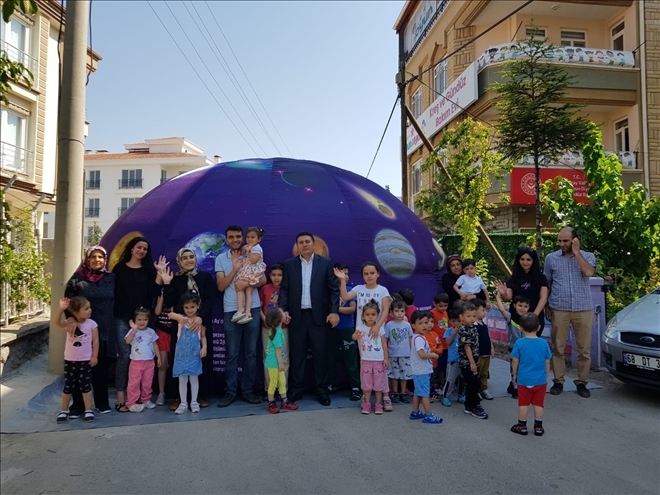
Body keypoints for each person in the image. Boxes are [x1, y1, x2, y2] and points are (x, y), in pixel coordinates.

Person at [279, 232, 340, 406]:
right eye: (301, 242)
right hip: (297, 317)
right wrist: (283, 309)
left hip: (319, 317)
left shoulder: (325, 263)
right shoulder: (289, 265)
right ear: (297, 245)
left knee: (321, 354)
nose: (304, 245)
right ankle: (296, 389)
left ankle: (322, 389)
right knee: (297, 355)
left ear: (313, 244)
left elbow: (333, 290)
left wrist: (334, 311)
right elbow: (284, 290)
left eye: (307, 242)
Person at [215, 226, 266, 407]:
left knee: (251, 353)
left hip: (252, 309)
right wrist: (235, 270)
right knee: (232, 354)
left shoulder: (251, 253)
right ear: (226, 240)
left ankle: (247, 391)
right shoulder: (221, 258)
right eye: (231, 237)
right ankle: (230, 392)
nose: (236, 239)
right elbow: (221, 286)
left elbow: (263, 280)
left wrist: (246, 282)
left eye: (238, 236)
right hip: (231, 310)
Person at [112, 236, 165, 412]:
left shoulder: (148, 270)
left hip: (143, 322)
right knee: (125, 355)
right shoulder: (119, 269)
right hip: (122, 318)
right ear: (131, 249)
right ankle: (121, 397)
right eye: (139, 247)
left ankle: (143, 398)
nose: (141, 251)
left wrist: (159, 273)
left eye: (145, 249)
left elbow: (153, 292)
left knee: (143, 358)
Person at [544, 227, 596, 398]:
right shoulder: (551, 258)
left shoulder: (587, 256)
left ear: (574, 240)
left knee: (584, 349)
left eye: (565, 241)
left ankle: (582, 383)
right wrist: (546, 305)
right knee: (558, 348)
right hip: (559, 308)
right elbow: (548, 284)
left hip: (583, 308)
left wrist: (577, 253)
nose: (561, 244)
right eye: (559, 240)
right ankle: (558, 381)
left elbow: (588, 272)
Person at [161, 248, 216, 409]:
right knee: (179, 360)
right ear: (179, 261)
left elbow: (209, 299)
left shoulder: (205, 277)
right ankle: (180, 398)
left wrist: (200, 317)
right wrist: (166, 283)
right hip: (180, 326)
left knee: (201, 358)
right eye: (184, 258)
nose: (188, 260)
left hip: (201, 324)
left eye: (191, 257)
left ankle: (199, 396)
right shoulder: (176, 279)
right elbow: (169, 301)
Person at [64, 246, 115, 416]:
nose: (97, 260)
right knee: (80, 370)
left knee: (101, 369)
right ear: (87, 259)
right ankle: (78, 406)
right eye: (93, 256)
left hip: (105, 329)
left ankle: (101, 403)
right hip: (82, 330)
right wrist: (71, 318)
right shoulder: (77, 279)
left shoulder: (111, 278)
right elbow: (68, 302)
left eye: (100, 256)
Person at [335, 262, 392, 411]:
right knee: (366, 365)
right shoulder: (359, 289)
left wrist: (378, 325)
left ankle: (385, 396)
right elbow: (345, 296)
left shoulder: (382, 290)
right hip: (362, 334)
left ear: (378, 274)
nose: (369, 276)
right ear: (362, 276)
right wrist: (342, 280)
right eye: (366, 274)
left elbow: (386, 309)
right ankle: (365, 398)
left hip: (378, 332)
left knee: (381, 365)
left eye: (372, 273)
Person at [53, 297, 99, 424]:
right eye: (86, 308)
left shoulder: (92, 324)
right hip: (70, 359)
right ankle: (64, 410)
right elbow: (56, 322)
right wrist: (61, 309)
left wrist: (94, 356)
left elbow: (95, 341)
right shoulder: (69, 322)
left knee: (85, 385)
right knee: (68, 386)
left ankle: (88, 409)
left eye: (89, 307)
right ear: (76, 312)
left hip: (85, 360)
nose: (90, 310)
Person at [510, 313, 552, 436]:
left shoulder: (519, 342)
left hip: (524, 379)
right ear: (539, 327)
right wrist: (546, 374)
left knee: (523, 403)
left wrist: (514, 374)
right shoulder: (543, 343)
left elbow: (515, 360)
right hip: (540, 380)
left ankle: (522, 426)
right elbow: (547, 360)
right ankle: (538, 427)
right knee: (538, 403)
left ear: (521, 328)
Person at [167, 291, 207, 414]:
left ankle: (194, 402)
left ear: (198, 306)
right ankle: (183, 403)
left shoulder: (200, 322)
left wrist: (204, 347)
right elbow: (170, 314)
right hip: (181, 356)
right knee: (182, 380)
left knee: (194, 379)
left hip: (194, 355)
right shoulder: (181, 319)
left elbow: (203, 336)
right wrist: (179, 317)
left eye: (192, 307)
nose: (189, 310)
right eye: (186, 307)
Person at [494, 247, 549, 337]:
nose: (525, 262)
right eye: (522, 259)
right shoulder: (514, 277)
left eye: (528, 260)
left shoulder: (541, 278)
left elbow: (543, 297)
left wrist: (533, 316)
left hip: (535, 317)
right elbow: (508, 298)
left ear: (533, 261)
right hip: (516, 319)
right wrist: (503, 293)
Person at [327, 263, 360, 401]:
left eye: (347, 274)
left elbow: (352, 309)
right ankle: (328, 385)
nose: (345, 277)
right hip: (331, 329)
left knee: (350, 359)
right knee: (329, 358)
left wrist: (334, 309)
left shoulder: (349, 290)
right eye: (342, 273)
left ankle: (355, 387)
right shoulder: (329, 290)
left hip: (347, 329)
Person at [120, 307, 161, 413]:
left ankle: (146, 399)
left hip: (149, 362)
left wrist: (159, 357)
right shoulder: (133, 331)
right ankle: (131, 403)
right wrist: (133, 330)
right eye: (139, 320)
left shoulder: (151, 332)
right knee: (134, 383)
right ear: (134, 321)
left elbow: (155, 345)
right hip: (136, 362)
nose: (142, 322)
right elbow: (128, 341)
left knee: (147, 382)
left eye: (145, 320)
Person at [352, 300, 389, 415]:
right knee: (366, 385)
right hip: (366, 361)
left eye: (373, 315)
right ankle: (367, 403)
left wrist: (386, 358)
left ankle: (378, 404)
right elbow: (353, 337)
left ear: (377, 315)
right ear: (363, 316)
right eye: (367, 315)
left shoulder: (380, 328)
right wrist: (355, 336)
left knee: (378, 385)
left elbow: (384, 344)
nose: (370, 317)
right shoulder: (360, 327)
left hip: (379, 361)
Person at [259, 262, 290, 397]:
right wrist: (265, 319)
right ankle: (269, 389)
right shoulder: (265, 289)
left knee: (284, 358)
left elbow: (290, 308)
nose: (276, 278)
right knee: (268, 358)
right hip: (267, 329)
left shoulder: (287, 289)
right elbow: (259, 307)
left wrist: (287, 316)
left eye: (280, 275)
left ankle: (283, 389)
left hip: (283, 329)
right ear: (269, 276)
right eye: (273, 275)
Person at [408, 310, 443, 424]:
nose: (425, 325)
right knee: (425, 394)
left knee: (418, 392)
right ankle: (429, 415)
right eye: (421, 323)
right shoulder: (419, 339)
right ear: (413, 325)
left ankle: (415, 411)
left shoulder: (417, 337)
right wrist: (432, 355)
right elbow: (422, 354)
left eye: (426, 322)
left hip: (418, 370)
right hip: (421, 371)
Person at [263, 308, 299, 414]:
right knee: (273, 382)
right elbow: (277, 349)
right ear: (279, 319)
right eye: (282, 313)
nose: (284, 313)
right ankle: (271, 402)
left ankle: (284, 401)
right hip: (274, 363)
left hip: (276, 362)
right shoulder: (277, 332)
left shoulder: (276, 330)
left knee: (282, 382)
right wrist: (281, 363)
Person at [495, 292, 531, 399]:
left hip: (526, 349)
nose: (522, 308)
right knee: (514, 368)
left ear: (529, 307)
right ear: (514, 305)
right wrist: (498, 297)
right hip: (514, 348)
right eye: (520, 305)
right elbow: (502, 310)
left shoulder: (529, 319)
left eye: (525, 306)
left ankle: (517, 385)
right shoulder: (511, 317)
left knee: (523, 367)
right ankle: (515, 387)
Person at [458, 302, 488, 419]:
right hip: (467, 363)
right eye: (468, 316)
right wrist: (471, 363)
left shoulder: (473, 328)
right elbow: (467, 347)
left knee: (472, 384)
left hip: (474, 362)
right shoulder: (464, 330)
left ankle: (469, 406)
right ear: (461, 317)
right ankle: (475, 406)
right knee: (474, 384)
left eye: (473, 316)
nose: (472, 319)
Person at [233, 227, 267, 324]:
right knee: (242, 290)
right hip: (247, 271)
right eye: (248, 237)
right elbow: (242, 252)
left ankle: (245, 312)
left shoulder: (257, 248)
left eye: (253, 237)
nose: (250, 239)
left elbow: (253, 260)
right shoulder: (248, 246)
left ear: (259, 239)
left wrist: (249, 251)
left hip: (252, 273)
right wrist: (244, 249)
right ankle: (243, 312)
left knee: (245, 291)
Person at [384, 299, 412, 404]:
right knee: (394, 374)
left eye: (402, 311)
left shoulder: (407, 325)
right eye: (397, 311)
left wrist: (412, 350)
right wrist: (385, 353)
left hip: (405, 353)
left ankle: (403, 392)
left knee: (404, 374)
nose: (399, 313)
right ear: (391, 312)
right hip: (393, 354)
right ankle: (395, 392)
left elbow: (410, 338)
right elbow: (385, 339)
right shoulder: (389, 325)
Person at [153, 290, 174, 406]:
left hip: (175, 331)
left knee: (176, 361)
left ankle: (177, 393)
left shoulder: (175, 291)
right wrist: (162, 295)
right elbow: (157, 311)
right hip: (162, 331)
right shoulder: (161, 293)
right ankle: (161, 393)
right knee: (163, 363)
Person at [472, 299, 494, 400]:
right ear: (475, 311)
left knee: (485, 373)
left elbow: (488, 337)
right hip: (478, 354)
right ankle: (476, 390)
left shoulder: (483, 324)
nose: (484, 312)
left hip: (486, 353)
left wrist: (491, 347)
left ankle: (484, 388)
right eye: (483, 310)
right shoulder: (473, 326)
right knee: (478, 373)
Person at [441, 308, 463, 407]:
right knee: (451, 379)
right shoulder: (449, 331)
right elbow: (447, 342)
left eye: (458, 321)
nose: (456, 323)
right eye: (453, 321)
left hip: (463, 359)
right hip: (453, 360)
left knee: (463, 379)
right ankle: (445, 396)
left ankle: (461, 395)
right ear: (450, 321)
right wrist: (454, 334)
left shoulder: (464, 330)